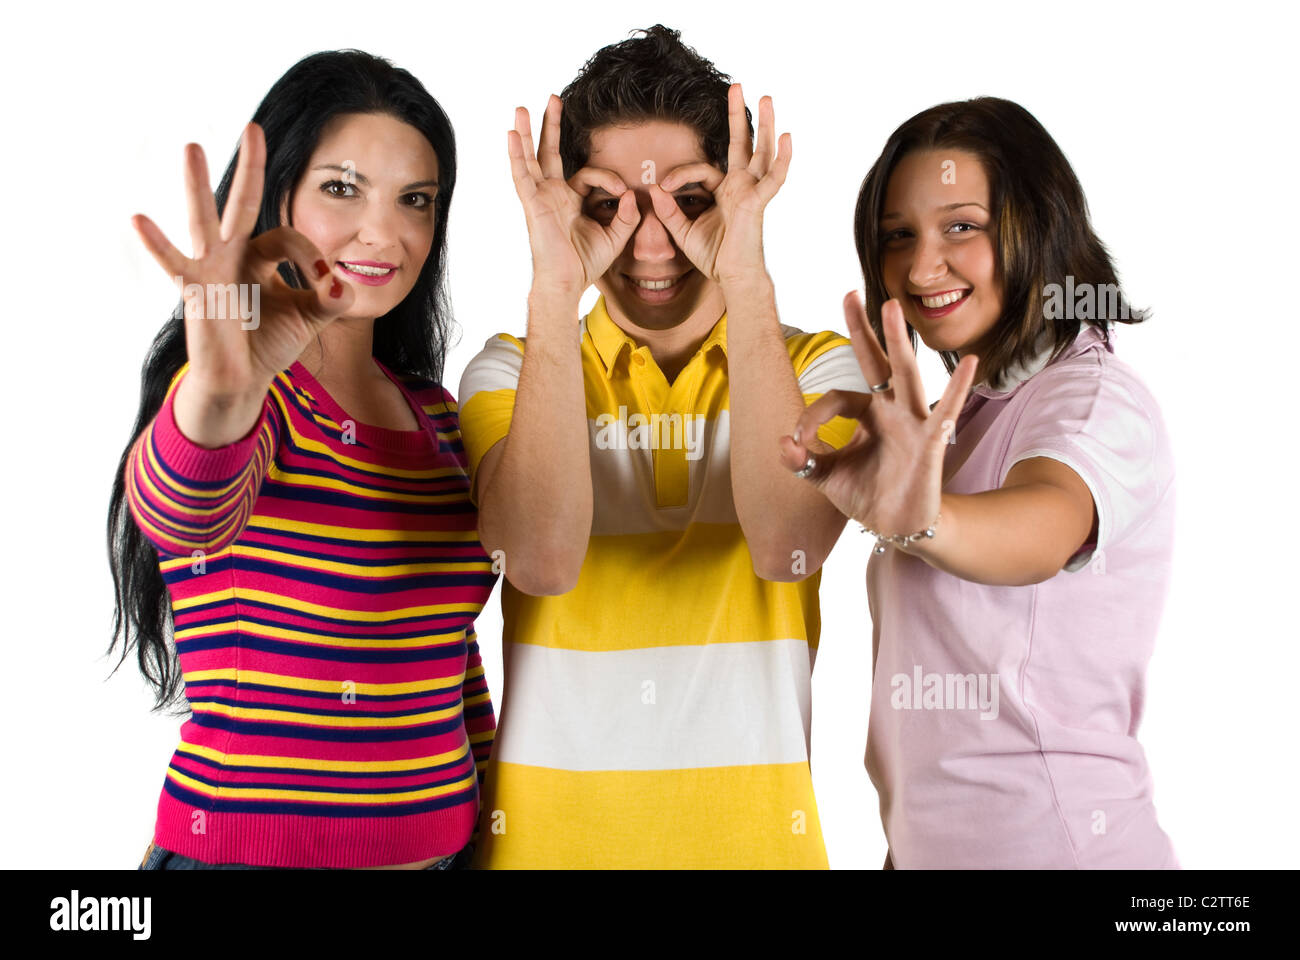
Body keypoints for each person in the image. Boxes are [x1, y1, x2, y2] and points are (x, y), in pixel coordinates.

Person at [457, 25, 870, 868]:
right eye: (606, 204)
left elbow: (789, 543)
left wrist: (745, 275)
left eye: (691, 200)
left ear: (740, 197)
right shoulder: (513, 365)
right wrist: (554, 286)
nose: (650, 244)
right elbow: (536, 556)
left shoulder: (823, 366)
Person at [107, 50, 496, 869]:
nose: (383, 233)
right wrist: (217, 388)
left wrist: (492, 824)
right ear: (279, 193)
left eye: (415, 200)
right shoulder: (248, 402)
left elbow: (449, 665)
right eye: (342, 187)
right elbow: (183, 507)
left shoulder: (438, 419)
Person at [781, 97, 1178, 868]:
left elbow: (1042, 526)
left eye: (961, 225)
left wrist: (926, 519)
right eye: (898, 236)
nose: (922, 267)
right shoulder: (968, 412)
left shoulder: (1092, 399)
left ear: (1040, 222)